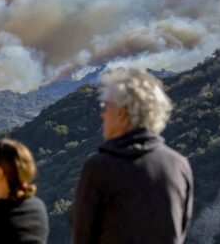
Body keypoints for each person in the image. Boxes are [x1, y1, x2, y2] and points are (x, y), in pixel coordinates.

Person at [71, 67, 193, 243]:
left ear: (122, 112)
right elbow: (181, 230)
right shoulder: (180, 165)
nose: (102, 114)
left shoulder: (100, 167)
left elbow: (83, 236)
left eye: (105, 106)